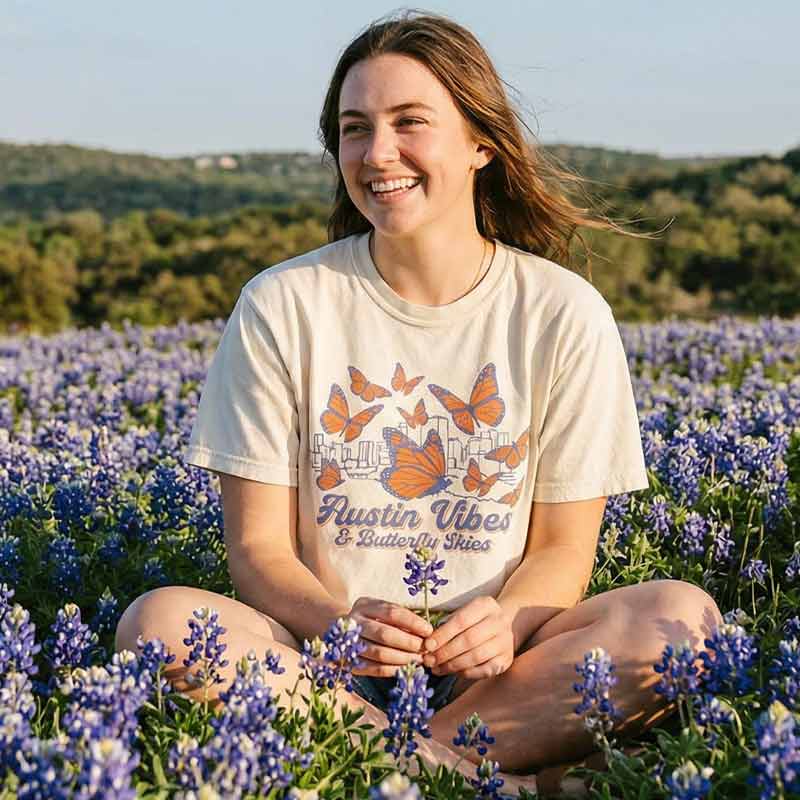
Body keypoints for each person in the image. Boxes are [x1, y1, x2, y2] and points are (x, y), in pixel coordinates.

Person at [115, 9, 723, 796]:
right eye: (355, 128)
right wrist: (338, 623)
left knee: (683, 621)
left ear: (481, 142)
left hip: (503, 671)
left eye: (410, 123)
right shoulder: (282, 304)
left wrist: (505, 620)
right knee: (158, 624)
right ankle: (471, 777)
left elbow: (564, 552)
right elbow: (258, 552)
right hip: (326, 666)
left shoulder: (562, 313)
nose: (379, 153)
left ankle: (381, 765)